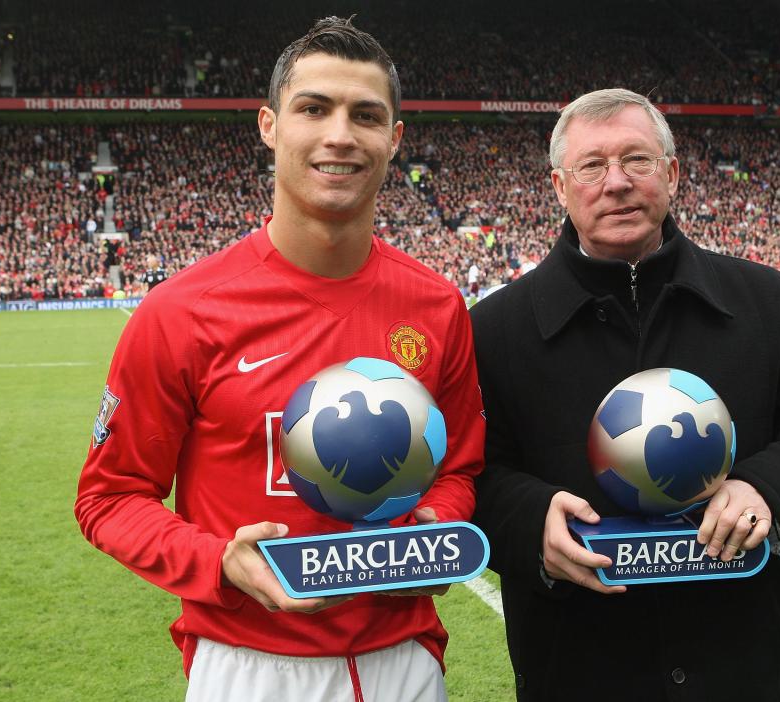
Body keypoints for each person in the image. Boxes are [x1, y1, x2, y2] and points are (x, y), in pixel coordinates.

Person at [75, 17, 484, 702]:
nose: (340, 135)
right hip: (249, 665)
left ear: (395, 139)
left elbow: (461, 467)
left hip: (406, 662)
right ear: (269, 125)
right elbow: (109, 497)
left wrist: (438, 523)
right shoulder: (183, 311)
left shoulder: (438, 306)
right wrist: (218, 561)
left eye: (366, 115)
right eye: (314, 109)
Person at [469, 89, 780, 701]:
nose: (617, 183)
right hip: (576, 669)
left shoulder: (757, 300)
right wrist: (529, 522)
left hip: (744, 664)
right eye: (592, 167)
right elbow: (471, 472)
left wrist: (767, 487)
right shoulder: (496, 328)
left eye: (638, 160)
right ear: (558, 186)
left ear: (673, 173)